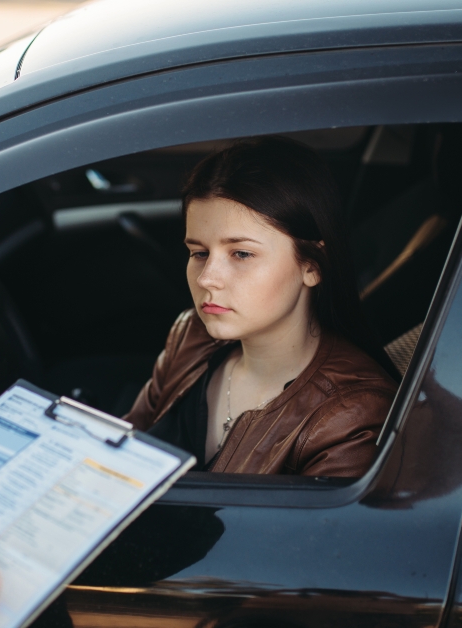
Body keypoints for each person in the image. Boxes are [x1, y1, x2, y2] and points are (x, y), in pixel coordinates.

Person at [123, 137, 399, 476]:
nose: (207, 278)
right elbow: (119, 454)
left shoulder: (350, 416)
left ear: (312, 266)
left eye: (241, 254)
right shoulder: (191, 335)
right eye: (199, 253)